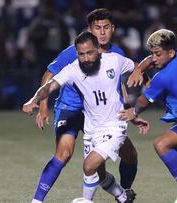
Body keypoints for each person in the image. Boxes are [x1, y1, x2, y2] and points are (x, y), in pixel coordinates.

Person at [23, 31, 149, 203]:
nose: (86, 58)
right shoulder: (72, 69)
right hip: (90, 126)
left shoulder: (114, 60)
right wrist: (34, 100)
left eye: (90, 53)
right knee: (97, 172)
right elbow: (50, 85)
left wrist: (144, 79)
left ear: (98, 49)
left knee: (89, 166)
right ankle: (122, 196)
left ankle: (88, 200)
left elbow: (137, 66)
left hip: (114, 126)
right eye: (81, 54)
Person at [120, 29, 177, 203]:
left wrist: (133, 112)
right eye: (152, 53)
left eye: (158, 54)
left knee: (160, 144)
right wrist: (139, 69)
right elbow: (149, 61)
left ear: (170, 52)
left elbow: (144, 100)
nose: (154, 58)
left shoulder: (165, 76)